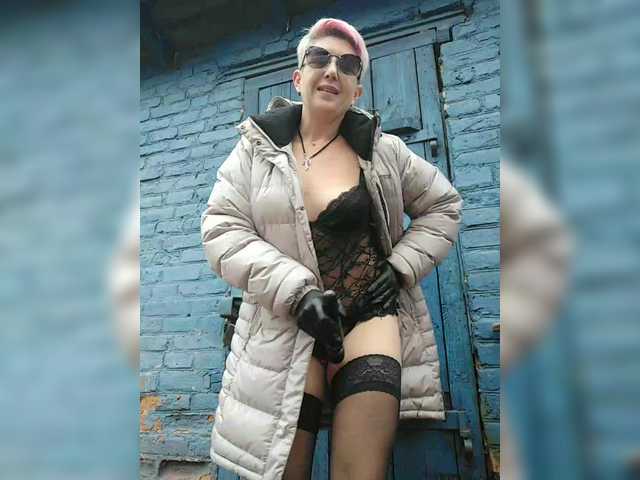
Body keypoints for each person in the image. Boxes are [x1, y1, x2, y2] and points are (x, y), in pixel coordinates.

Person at [201, 18, 463, 480]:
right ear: (298, 77)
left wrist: (400, 267)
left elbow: (444, 207)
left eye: (347, 65)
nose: (332, 70)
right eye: (319, 57)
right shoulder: (253, 153)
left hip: (370, 316)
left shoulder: (386, 152)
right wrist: (297, 293)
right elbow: (221, 229)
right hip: (286, 324)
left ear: (357, 89)